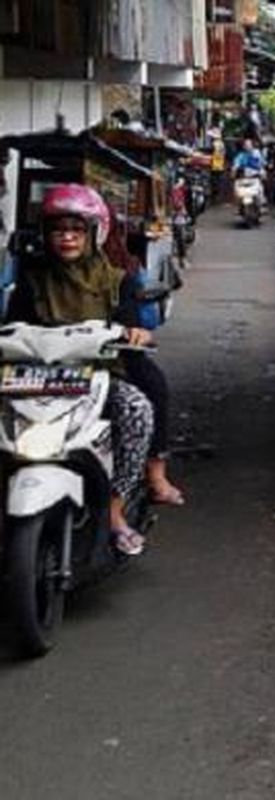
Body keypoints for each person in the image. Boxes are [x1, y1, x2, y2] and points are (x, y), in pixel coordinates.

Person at [5, 185, 175, 555]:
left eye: (76, 230)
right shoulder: (30, 281)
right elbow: (11, 327)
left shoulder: (117, 282)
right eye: (58, 230)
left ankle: (116, 511)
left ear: (94, 233)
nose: (67, 238)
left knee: (137, 409)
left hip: (96, 379)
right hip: (33, 382)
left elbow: (131, 324)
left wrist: (135, 332)